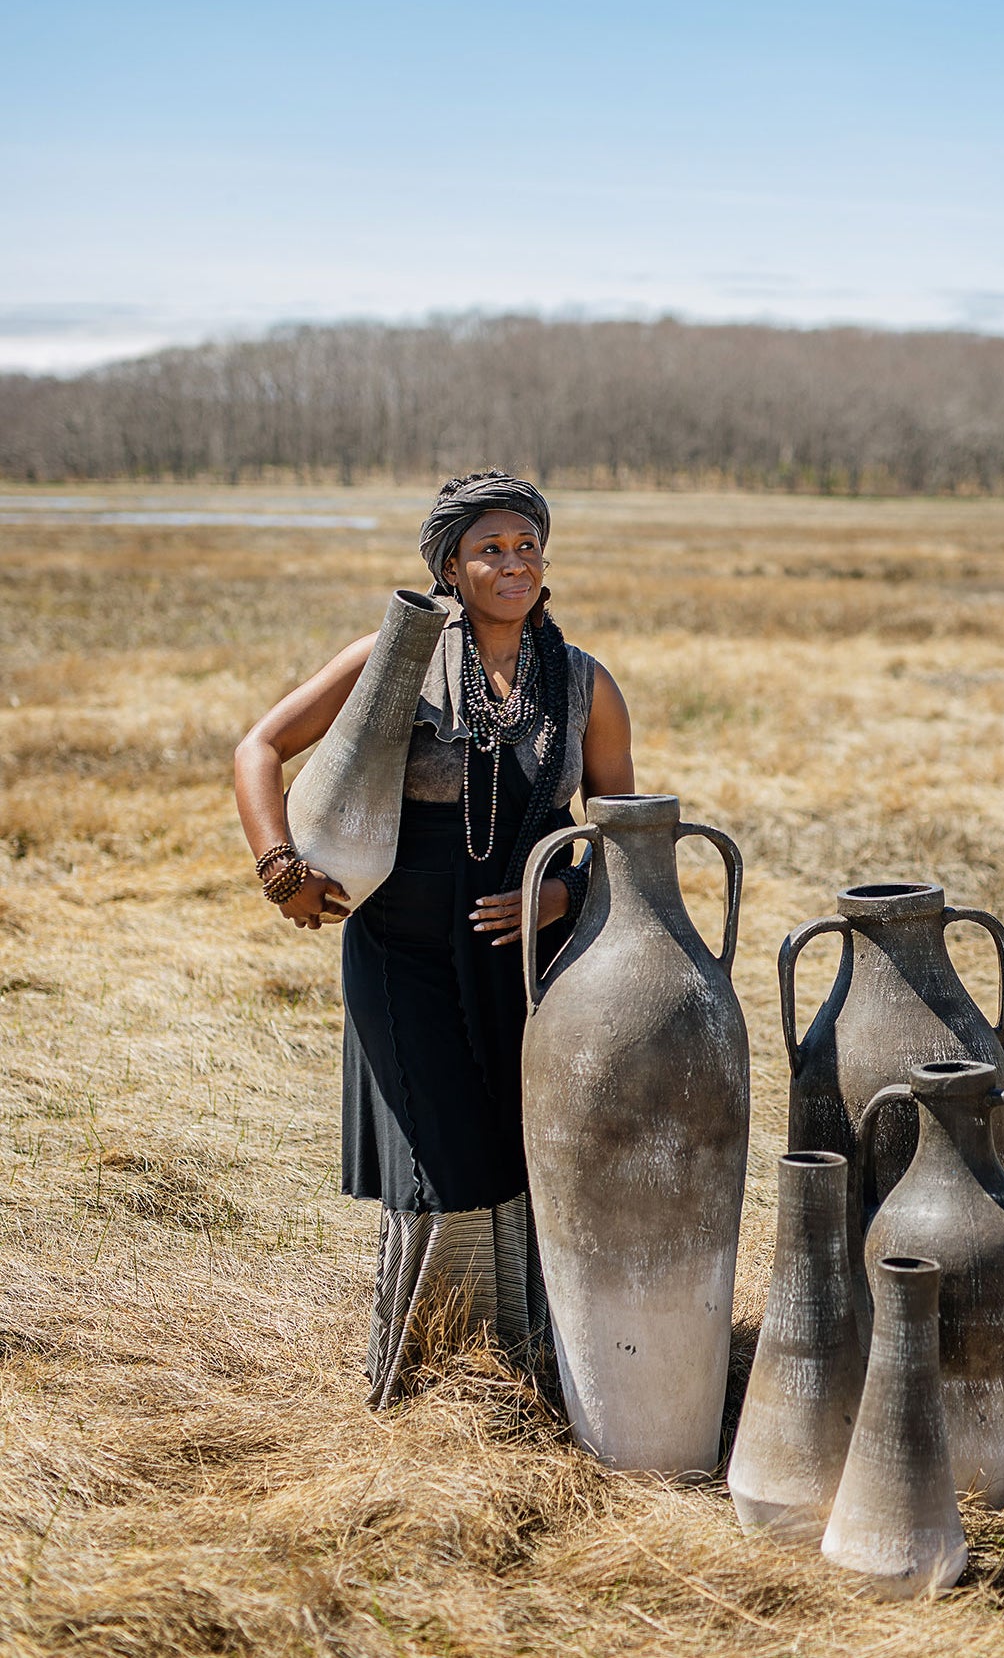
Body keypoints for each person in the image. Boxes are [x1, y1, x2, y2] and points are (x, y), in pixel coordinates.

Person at [234, 471, 634, 1405]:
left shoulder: (582, 684)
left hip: (528, 963)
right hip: (401, 949)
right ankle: (424, 1375)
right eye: (489, 549)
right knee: (445, 1156)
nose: (512, 564)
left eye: (526, 546)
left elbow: (628, 829)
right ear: (449, 565)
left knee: (519, 1156)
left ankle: (523, 1374)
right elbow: (259, 747)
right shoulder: (393, 657)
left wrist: (560, 894)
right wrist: (280, 868)